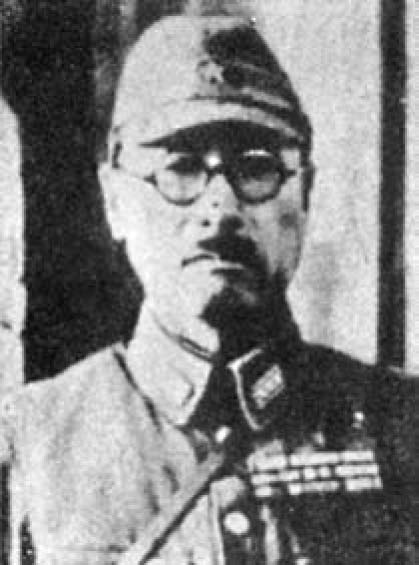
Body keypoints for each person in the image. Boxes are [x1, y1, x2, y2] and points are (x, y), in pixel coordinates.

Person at [0, 10, 413, 565]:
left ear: (306, 195)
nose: (220, 209)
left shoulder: (402, 429)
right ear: (114, 200)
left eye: (257, 168)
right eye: (181, 168)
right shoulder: (31, 443)